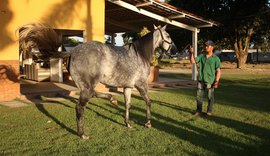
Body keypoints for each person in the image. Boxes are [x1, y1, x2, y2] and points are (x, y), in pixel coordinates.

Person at [189, 40, 221, 116]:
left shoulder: (216, 58)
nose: (206, 47)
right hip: (201, 80)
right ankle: (198, 111)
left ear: (212, 47)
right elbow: (192, 61)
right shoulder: (201, 56)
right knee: (199, 97)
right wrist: (191, 53)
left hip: (210, 81)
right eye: (205, 46)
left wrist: (216, 81)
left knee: (210, 97)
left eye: (207, 46)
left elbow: (218, 71)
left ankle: (209, 111)